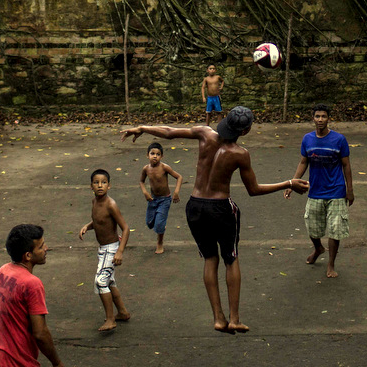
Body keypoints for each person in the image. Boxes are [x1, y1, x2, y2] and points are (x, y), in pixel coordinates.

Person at [120, 106, 309, 333]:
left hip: (195, 207)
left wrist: (142, 128)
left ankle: (218, 318)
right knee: (231, 258)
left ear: (225, 121)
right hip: (220, 208)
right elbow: (254, 189)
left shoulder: (204, 133)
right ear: (246, 131)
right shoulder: (240, 154)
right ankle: (235, 318)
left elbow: (169, 131)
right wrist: (289, 183)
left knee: (210, 259)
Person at [0, 224, 66, 367]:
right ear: (28, 255)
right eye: (41, 247)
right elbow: (40, 334)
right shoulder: (31, 284)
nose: (46, 249)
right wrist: (57, 362)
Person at [284, 103, 354, 278]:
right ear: (313, 118)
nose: (320, 119)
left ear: (328, 119)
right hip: (315, 190)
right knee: (312, 227)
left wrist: (350, 189)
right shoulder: (307, 139)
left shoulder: (339, 140)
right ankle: (318, 248)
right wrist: (292, 183)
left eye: (323, 116)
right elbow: (303, 162)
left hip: (336, 190)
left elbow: (346, 165)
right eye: (317, 116)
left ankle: (331, 264)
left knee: (335, 229)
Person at [78, 169, 131, 332]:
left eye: (103, 182)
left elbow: (126, 228)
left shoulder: (111, 204)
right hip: (102, 248)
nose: (100, 185)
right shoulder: (95, 202)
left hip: (111, 248)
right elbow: (99, 220)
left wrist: (120, 251)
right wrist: (88, 226)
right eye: (96, 182)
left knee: (101, 282)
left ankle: (110, 319)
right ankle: (122, 312)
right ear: (91, 186)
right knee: (109, 281)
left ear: (109, 186)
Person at [138, 142, 183, 254]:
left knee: (159, 225)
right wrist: (145, 192)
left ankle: (160, 242)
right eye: (152, 153)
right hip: (153, 199)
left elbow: (179, 177)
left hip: (165, 200)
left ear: (161, 156)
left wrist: (176, 191)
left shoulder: (164, 167)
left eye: (158, 154)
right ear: (147, 155)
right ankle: (161, 226)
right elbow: (141, 181)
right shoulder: (146, 169)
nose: (155, 156)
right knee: (149, 223)